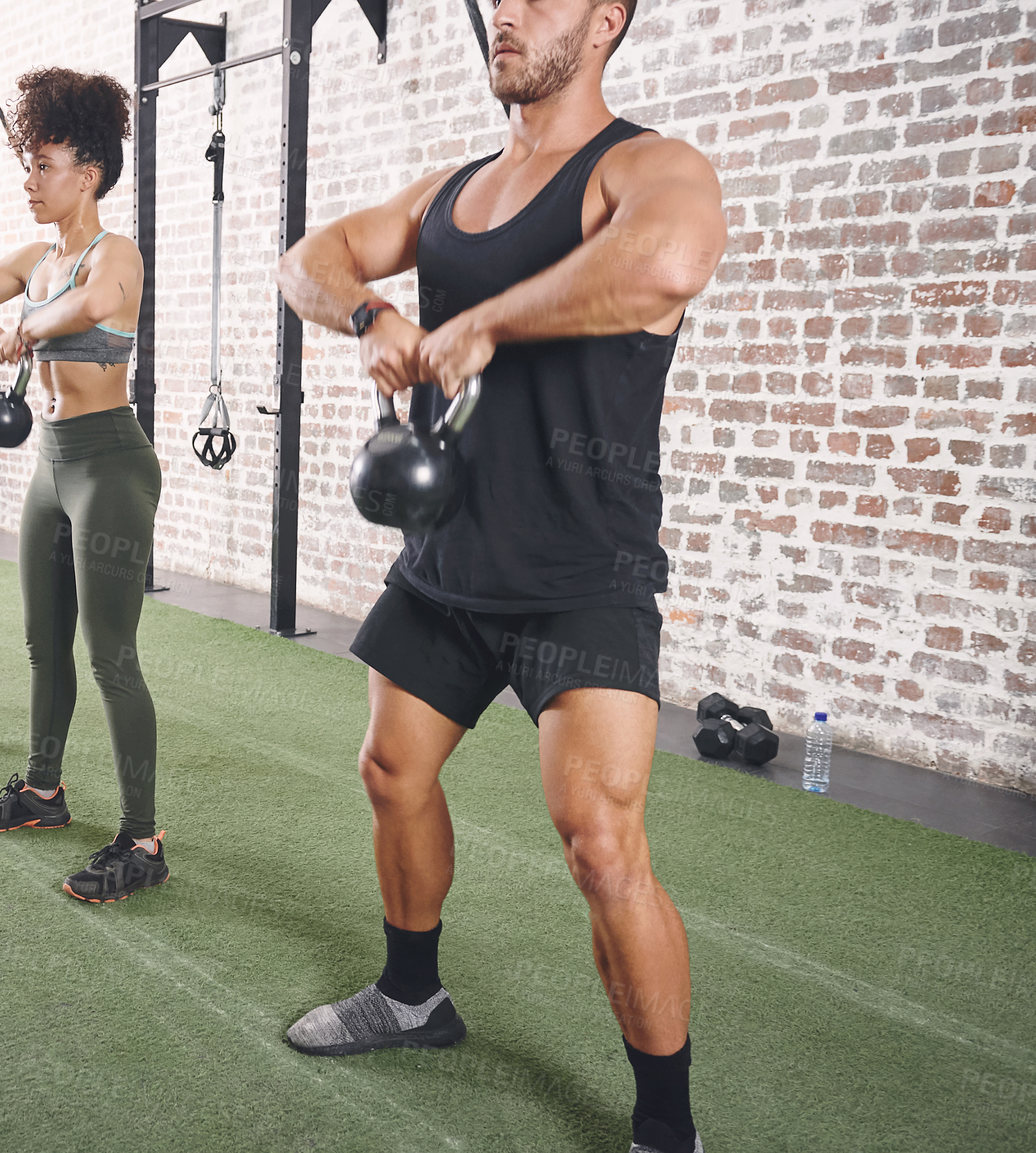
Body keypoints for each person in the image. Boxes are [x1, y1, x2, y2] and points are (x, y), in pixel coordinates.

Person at [275, 3, 723, 1152]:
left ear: (606, 20)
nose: (508, 15)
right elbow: (309, 262)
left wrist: (483, 324)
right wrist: (374, 306)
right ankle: (413, 997)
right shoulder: (451, 191)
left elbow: (666, 266)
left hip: (582, 569)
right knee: (390, 768)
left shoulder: (643, 166)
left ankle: (665, 1125)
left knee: (599, 839)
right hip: (446, 561)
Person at [0, 68, 166, 903]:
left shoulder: (114, 253)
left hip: (109, 466)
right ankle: (42, 790)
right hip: (50, 468)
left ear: (87, 172)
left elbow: (94, 304)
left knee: (111, 656)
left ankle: (143, 837)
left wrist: (24, 323)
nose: (31, 181)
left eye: (46, 165)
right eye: (28, 167)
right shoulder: (32, 258)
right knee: (41, 641)